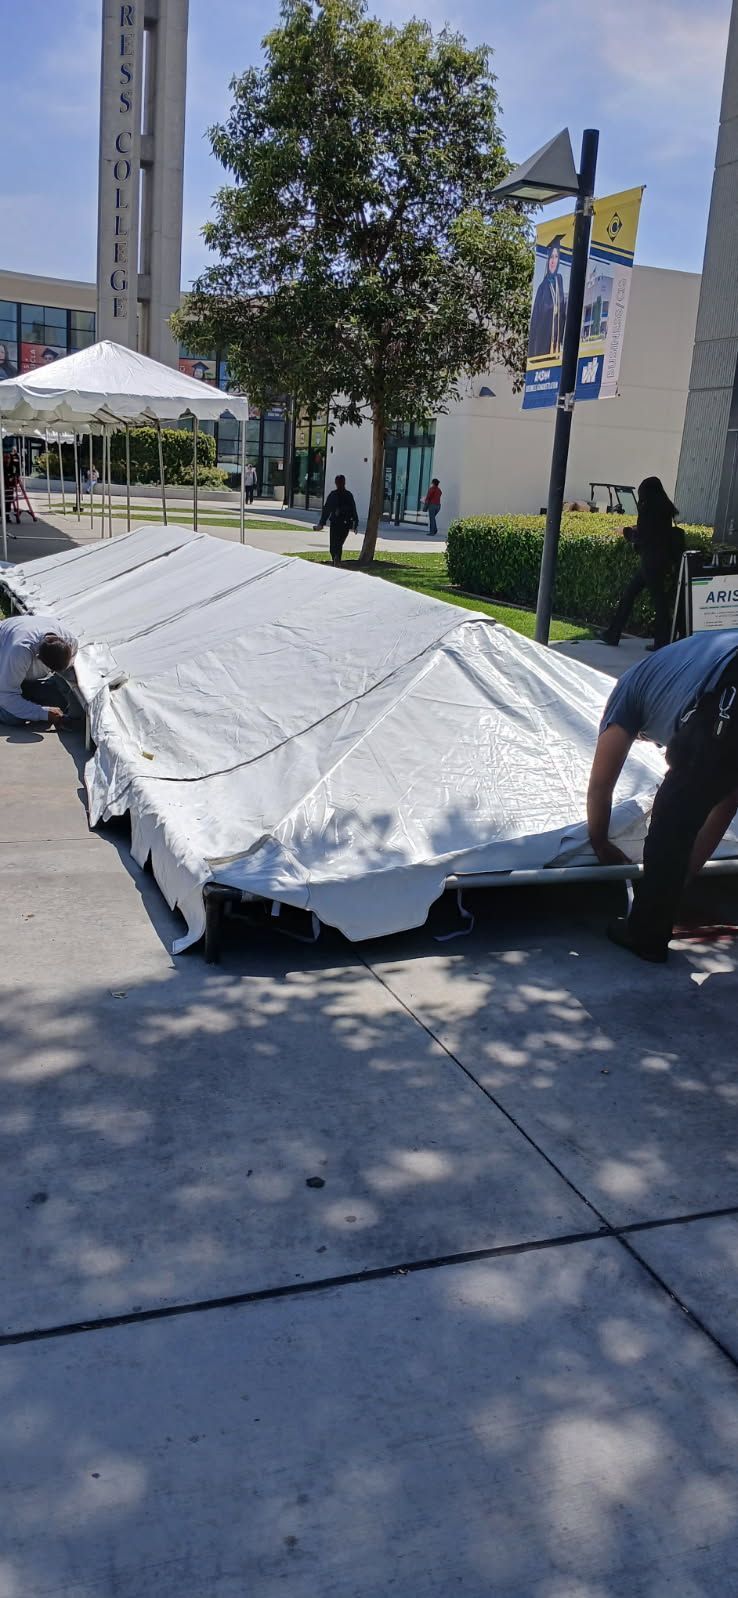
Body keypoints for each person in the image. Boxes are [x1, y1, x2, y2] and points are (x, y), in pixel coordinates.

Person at [586, 628, 738, 961]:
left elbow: (601, 783)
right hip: (729, 675)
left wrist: (599, 840)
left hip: (731, 686)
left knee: (670, 816)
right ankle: (656, 914)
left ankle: (645, 934)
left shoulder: (625, 694)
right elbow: (723, 804)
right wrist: (679, 882)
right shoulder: (671, 673)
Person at [600, 477, 684, 651]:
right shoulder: (665, 509)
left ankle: (617, 634)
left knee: (647, 599)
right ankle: (615, 633)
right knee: (639, 596)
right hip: (662, 560)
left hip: (650, 562)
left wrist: (625, 531)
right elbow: (656, 533)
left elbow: (643, 537)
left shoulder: (648, 510)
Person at [0, 613, 79, 729]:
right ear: (37, 657)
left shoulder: (71, 641)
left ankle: (24, 698)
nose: (51, 671)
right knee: (12, 717)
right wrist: (44, 714)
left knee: (58, 701)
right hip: (3, 668)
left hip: (22, 675)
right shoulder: (20, 651)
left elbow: (69, 677)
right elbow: (6, 695)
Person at [528, 236, 567, 359]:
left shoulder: (559, 281)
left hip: (557, 343)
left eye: (556, 257)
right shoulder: (542, 287)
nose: (553, 261)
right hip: (543, 343)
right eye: (551, 257)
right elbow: (535, 321)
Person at [316, 474, 359, 566]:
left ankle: (336, 559)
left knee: (335, 544)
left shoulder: (337, 495)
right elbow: (327, 509)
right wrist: (355, 524)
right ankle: (336, 559)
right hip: (342, 523)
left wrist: (321, 523)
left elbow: (326, 510)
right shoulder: (343, 495)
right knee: (338, 544)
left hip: (339, 523)